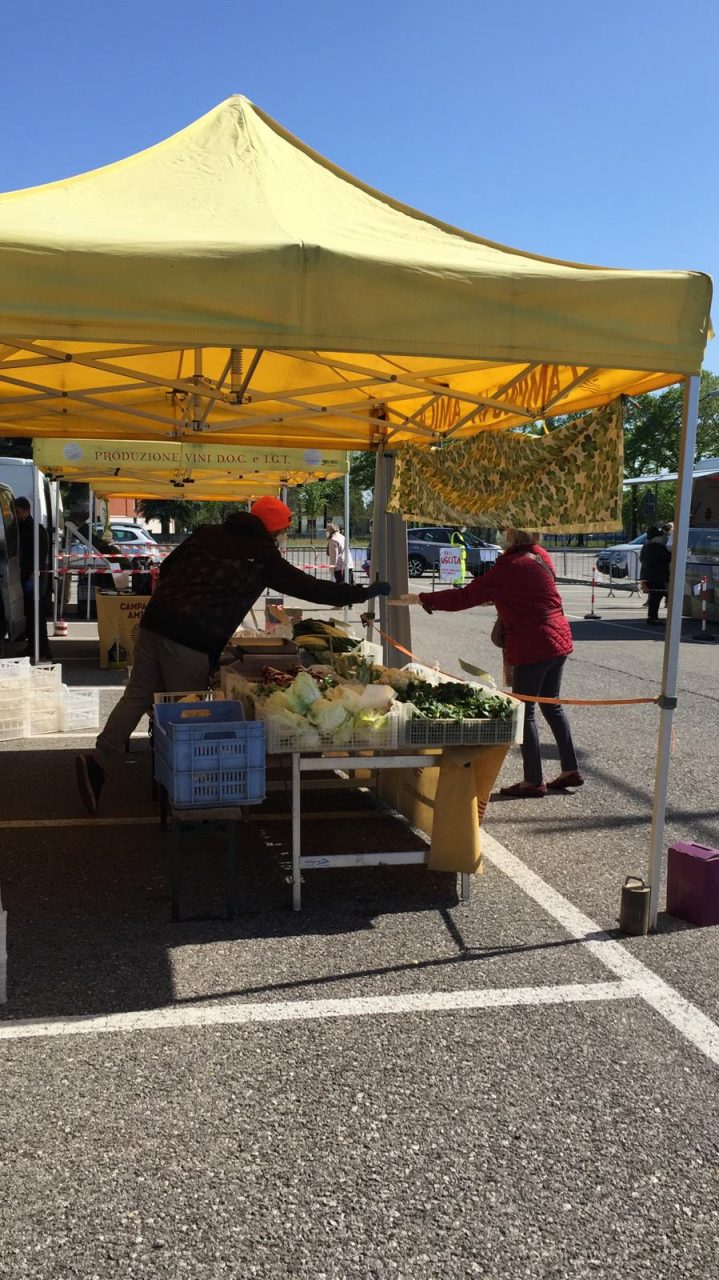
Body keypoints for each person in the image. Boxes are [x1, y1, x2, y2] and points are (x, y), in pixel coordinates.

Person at [76, 497, 390, 814]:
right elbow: (311, 588)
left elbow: (168, 566)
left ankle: (99, 761)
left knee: (138, 695)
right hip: (191, 636)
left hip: (155, 622)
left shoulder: (206, 533)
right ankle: (189, 797)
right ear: (271, 528)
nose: (283, 534)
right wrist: (362, 593)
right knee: (189, 712)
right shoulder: (262, 556)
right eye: (282, 529)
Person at [390, 527, 582, 798]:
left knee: (524, 711)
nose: (500, 535)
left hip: (532, 643)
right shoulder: (540, 556)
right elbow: (526, 592)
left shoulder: (510, 566)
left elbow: (465, 596)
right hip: (558, 638)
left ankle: (533, 780)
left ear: (514, 536)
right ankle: (569, 769)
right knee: (552, 705)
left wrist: (421, 598)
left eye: (504, 531)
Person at [15, 496, 52, 663]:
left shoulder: (35, 529)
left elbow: (40, 554)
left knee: (36, 615)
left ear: (26, 511)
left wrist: (32, 576)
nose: (15, 515)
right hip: (27, 576)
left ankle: (43, 650)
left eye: (17, 512)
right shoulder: (22, 527)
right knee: (30, 615)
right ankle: (33, 646)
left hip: (34, 578)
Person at [640, 525, 671, 625]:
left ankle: (652, 617)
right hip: (658, 577)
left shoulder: (646, 547)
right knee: (660, 596)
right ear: (657, 538)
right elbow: (668, 558)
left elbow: (641, 559)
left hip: (648, 576)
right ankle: (654, 617)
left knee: (655, 597)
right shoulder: (658, 548)